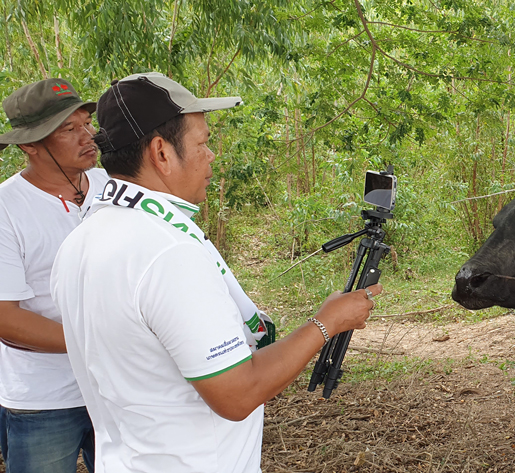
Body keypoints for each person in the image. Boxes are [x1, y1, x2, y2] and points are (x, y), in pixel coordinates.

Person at [49, 72, 381, 472]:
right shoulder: (167, 252)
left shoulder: (82, 240)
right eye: (202, 143)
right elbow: (237, 395)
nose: (210, 156)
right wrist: (326, 323)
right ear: (161, 152)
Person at [0, 78, 104, 473]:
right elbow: (6, 318)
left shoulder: (109, 186)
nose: (87, 136)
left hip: (113, 389)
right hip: (42, 400)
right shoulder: (7, 210)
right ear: (29, 144)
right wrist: (102, 341)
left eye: (86, 123)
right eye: (69, 129)